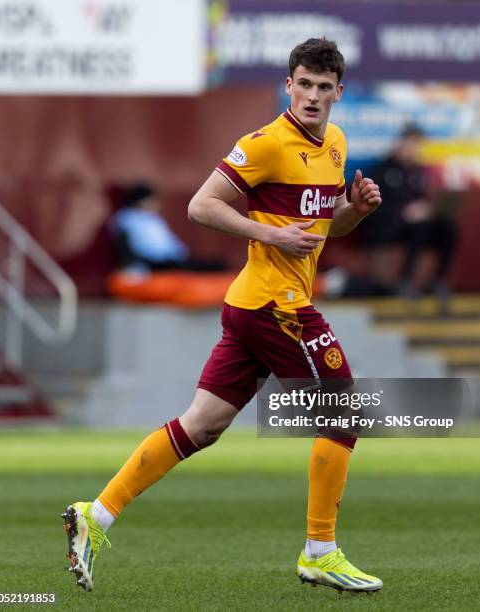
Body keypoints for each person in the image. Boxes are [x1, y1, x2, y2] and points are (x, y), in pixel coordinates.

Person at [61, 38, 384, 594]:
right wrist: (266, 231)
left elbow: (319, 233)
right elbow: (200, 205)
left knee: (201, 425)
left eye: (322, 87)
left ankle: (96, 514)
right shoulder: (265, 144)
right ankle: (321, 550)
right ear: (288, 86)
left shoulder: (334, 144)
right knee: (344, 412)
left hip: (252, 307)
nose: (311, 96)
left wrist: (354, 212)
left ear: (339, 92)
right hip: (275, 306)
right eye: (302, 84)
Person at [363, 125, 457, 299]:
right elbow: (372, 206)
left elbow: (420, 201)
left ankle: (437, 279)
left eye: (419, 146)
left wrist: (427, 209)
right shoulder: (382, 170)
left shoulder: (418, 173)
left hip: (414, 225)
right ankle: (405, 280)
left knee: (446, 227)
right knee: (421, 227)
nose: (415, 150)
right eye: (412, 145)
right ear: (401, 144)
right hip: (387, 225)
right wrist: (403, 212)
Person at [110, 181, 226, 273]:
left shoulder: (154, 219)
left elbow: (171, 243)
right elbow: (125, 247)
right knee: (196, 267)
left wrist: (184, 256)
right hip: (153, 263)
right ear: (142, 201)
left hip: (173, 259)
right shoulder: (125, 219)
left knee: (214, 264)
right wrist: (133, 265)